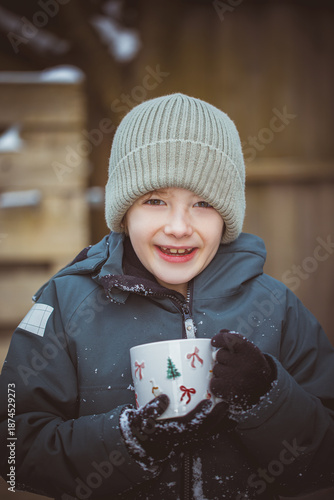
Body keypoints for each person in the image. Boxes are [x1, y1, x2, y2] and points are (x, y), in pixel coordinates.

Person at [0, 93, 333, 500]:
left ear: (227, 216)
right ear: (124, 212)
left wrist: (267, 397)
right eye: (155, 200)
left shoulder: (276, 307)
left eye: (203, 203)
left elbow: (323, 463)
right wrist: (127, 441)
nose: (178, 226)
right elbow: (14, 449)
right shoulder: (67, 303)